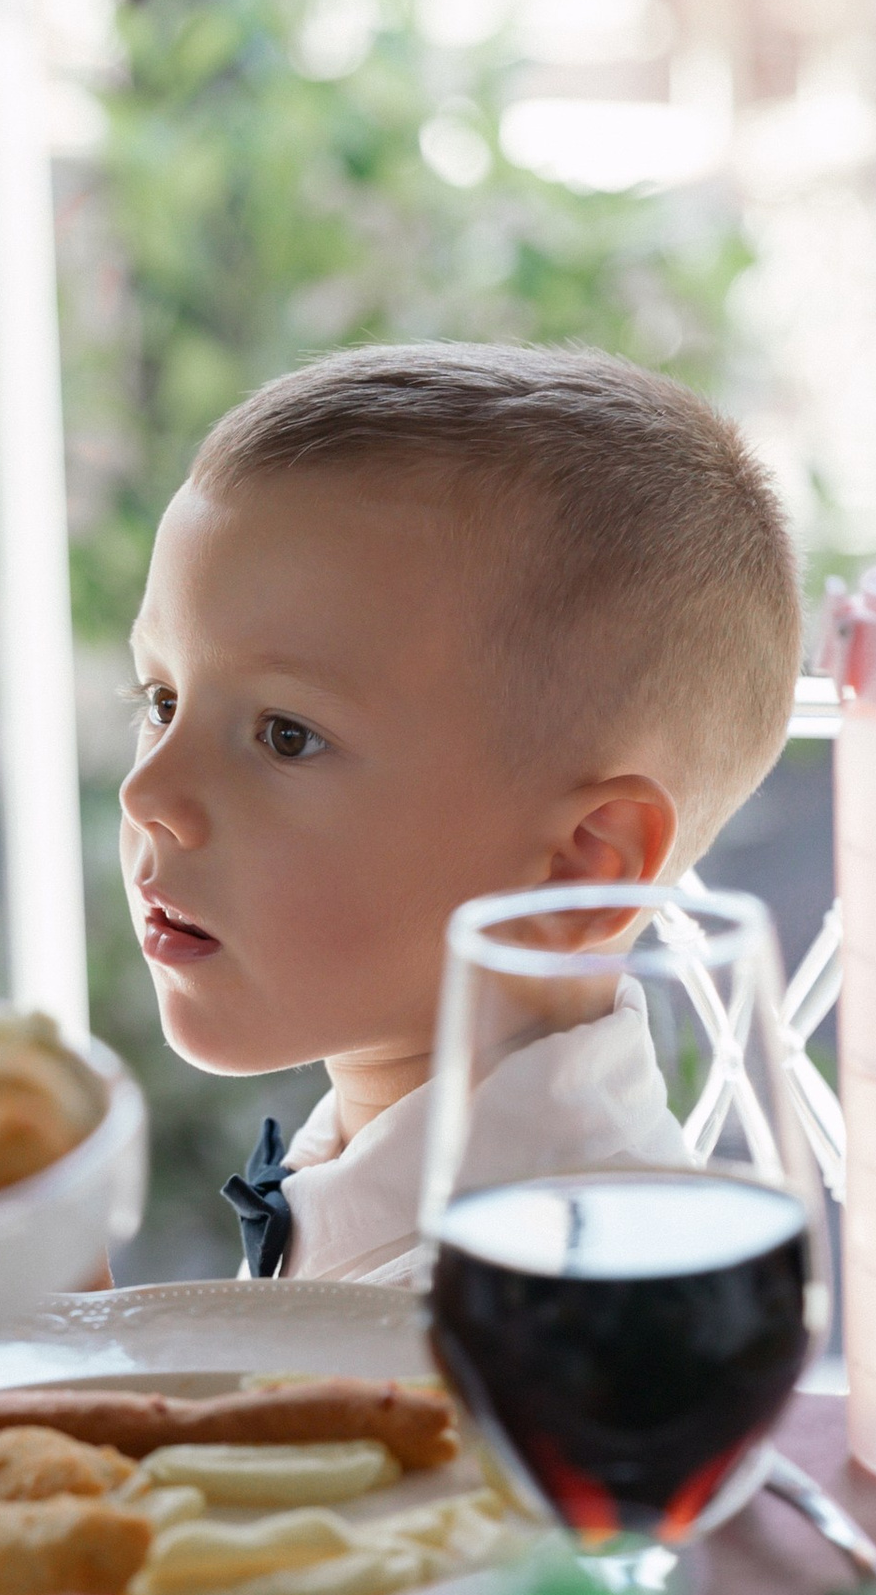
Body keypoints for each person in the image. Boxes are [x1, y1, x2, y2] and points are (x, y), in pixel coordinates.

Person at [119, 343, 803, 1284]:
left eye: (285, 736)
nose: (148, 796)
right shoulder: (363, 1186)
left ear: (583, 865)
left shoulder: (539, 1320)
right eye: (159, 701)